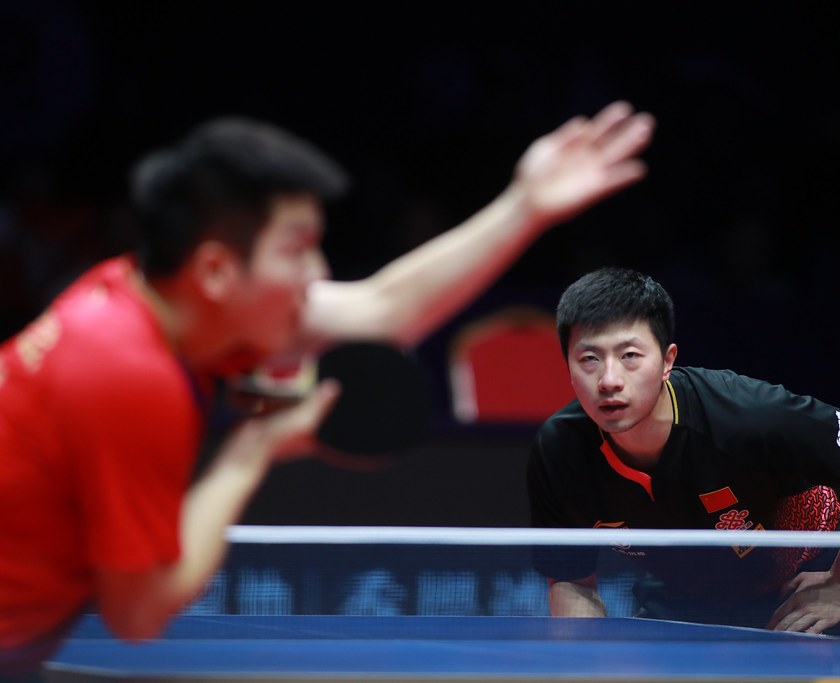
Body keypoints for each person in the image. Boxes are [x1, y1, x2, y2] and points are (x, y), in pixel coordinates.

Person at [0, 102, 655, 678]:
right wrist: (250, 452)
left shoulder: (152, 298)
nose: (317, 272)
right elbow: (140, 611)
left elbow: (380, 308)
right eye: (297, 249)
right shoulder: (128, 375)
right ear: (217, 269)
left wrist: (525, 205)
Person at [527, 267, 840, 635]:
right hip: (687, 599)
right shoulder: (560, 452)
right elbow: (572, 580)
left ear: (667, 361)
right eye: (589, 359)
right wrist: (584, 662)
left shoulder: (748, 415)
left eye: (630, 356)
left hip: (802, 582)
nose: (609, 380)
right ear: (568, 367)